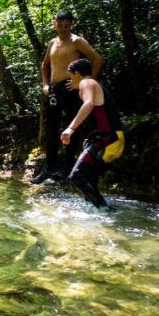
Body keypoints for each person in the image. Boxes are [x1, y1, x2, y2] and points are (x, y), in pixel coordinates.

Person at [32, 11, 104, 185]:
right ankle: (49, 168)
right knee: (51, 128)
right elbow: (45, 65)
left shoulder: (77, 41)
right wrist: (45, 85)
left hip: (71, 88)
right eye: (61, 25)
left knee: (72, 127)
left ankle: (67, 167)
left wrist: (87, 82)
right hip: (54, 89)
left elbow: (97, 60)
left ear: (72, 24)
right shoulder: (52, 43)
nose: (64, 29)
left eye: (67, 25)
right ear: (54, 23)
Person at [61, 59, 125, 208]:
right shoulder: (91, 84)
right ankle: (97, 215)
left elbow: (88, 103)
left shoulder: (87, 82)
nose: (70, 80)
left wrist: (70, 128)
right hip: (112, 138)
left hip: (107, 139)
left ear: (76, 73)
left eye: (70, 76)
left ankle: (105, 211)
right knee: (89, 180)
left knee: (77, 176)